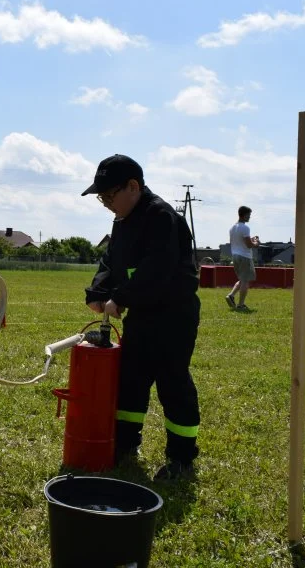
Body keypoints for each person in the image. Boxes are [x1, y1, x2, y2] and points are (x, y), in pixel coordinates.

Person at [82, 154, 201, 481]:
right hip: (143, 316)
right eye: (101, 199)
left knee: (172, 383)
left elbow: (156, 269)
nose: (106, 204)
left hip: (173, 315)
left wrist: (120, 298)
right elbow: (111, 262)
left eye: (109, 195)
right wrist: (97, 291)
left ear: (133, 187)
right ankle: (124, 445)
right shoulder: (122, 222)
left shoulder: (160, 216)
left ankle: (182, 459)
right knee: (131, 380)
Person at [225, 206, 259, 311]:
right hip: (245, 256)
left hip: (235, 255)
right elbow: (249, 245)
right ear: (244, 215)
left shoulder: (232, 228)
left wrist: (251, 239)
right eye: (249, 215)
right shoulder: (245, 227)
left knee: (242, 279)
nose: (250, 217)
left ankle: (231, 296)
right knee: (245, 281)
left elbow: (238, 241)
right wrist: (256, 242)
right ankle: (241, 304)